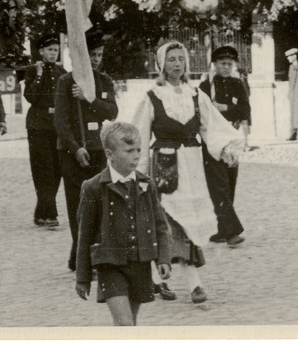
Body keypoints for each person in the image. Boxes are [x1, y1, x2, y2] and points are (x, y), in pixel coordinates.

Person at [132, 41, 243, 305]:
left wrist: (227, 146)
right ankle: (187, 282)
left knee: (189, 220)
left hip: (192, 167)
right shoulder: (152, 97)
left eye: (181, 59)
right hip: (165, 166)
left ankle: (160, 279)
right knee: (168, 222)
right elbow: (139, 135)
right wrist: (139, 175)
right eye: (171, 59)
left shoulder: (196, 95)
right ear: (162, 64)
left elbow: (213, 126)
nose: (177, 64)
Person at [75, 122, 172, 326]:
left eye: (138, 149)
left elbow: (160, 225)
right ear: (110, 154)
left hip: (140, 263)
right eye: (129, 151)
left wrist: (163, 259)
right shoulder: (93, 187)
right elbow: (84, 235)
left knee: (131, 324)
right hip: (110, 266)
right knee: (124, 324)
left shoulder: (146, 184)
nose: (136, 155)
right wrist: (82, 277)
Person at [54, 32, 119, 273]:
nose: (96, 59)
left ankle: (81, 256)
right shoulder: (65, 82)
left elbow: (112, 112)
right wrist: (75, 147)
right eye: (91, 54)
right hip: (73, 152)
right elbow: (60, 122)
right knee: (78, 207)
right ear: (81, 55)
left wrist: (88, 98)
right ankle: (83, 259)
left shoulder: (104, 81)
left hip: (98, 151)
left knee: (99, 205)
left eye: (100, 55)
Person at [198, 45, 249, 247]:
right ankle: (231, 233)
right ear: (215, 64)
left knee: (229, 184)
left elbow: (245, 111)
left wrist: (224, 108)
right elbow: (202, 113)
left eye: (230, 64)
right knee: (218, 186)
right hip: (212, 140)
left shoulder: (238, 84)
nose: (227, 67)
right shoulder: (204, 86)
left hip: (231, 139)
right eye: (222, 63)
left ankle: (222, 228)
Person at [23, 32, 66, 227]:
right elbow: (31, 97)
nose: (53, 53)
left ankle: (42, 211)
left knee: (57, 169)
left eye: (56, 50)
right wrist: (39, 75)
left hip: (56, 126)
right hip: (38, 125)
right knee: (43, 169)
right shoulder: (33, 70)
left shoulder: (62, 72)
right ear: (41, 51)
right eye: (49, 50)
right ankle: (50, 212)